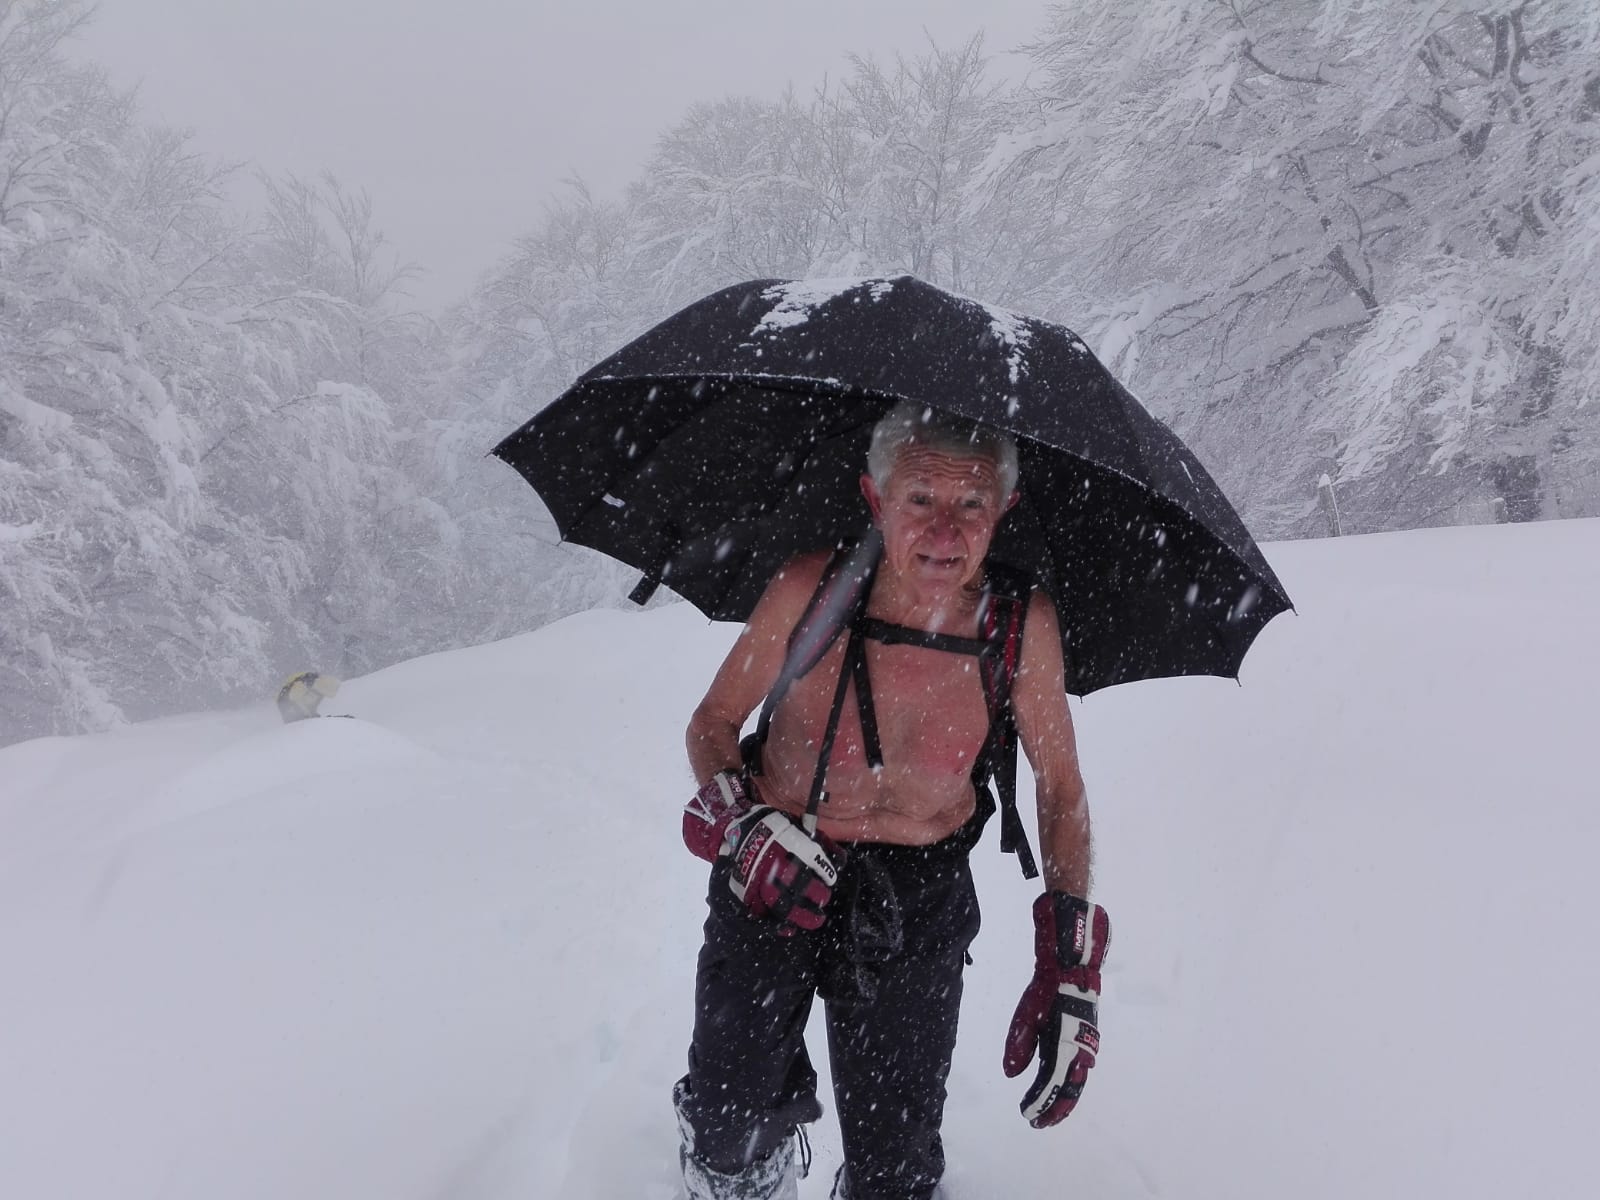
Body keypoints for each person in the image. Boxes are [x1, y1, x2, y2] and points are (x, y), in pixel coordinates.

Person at [674, 402, 1111, 1200]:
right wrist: (741, 826)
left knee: (896, 1167)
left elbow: (1061, 788)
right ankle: (739, 1165)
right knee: (726, 1115)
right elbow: (712, 724)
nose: (945, 532)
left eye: (971, 504)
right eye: (920, 499)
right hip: (774, 865)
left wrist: (1072, 961)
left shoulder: (1018, 623)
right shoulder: (814, 587)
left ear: (1003, 511)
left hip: (917, 896)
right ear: (876, 500)